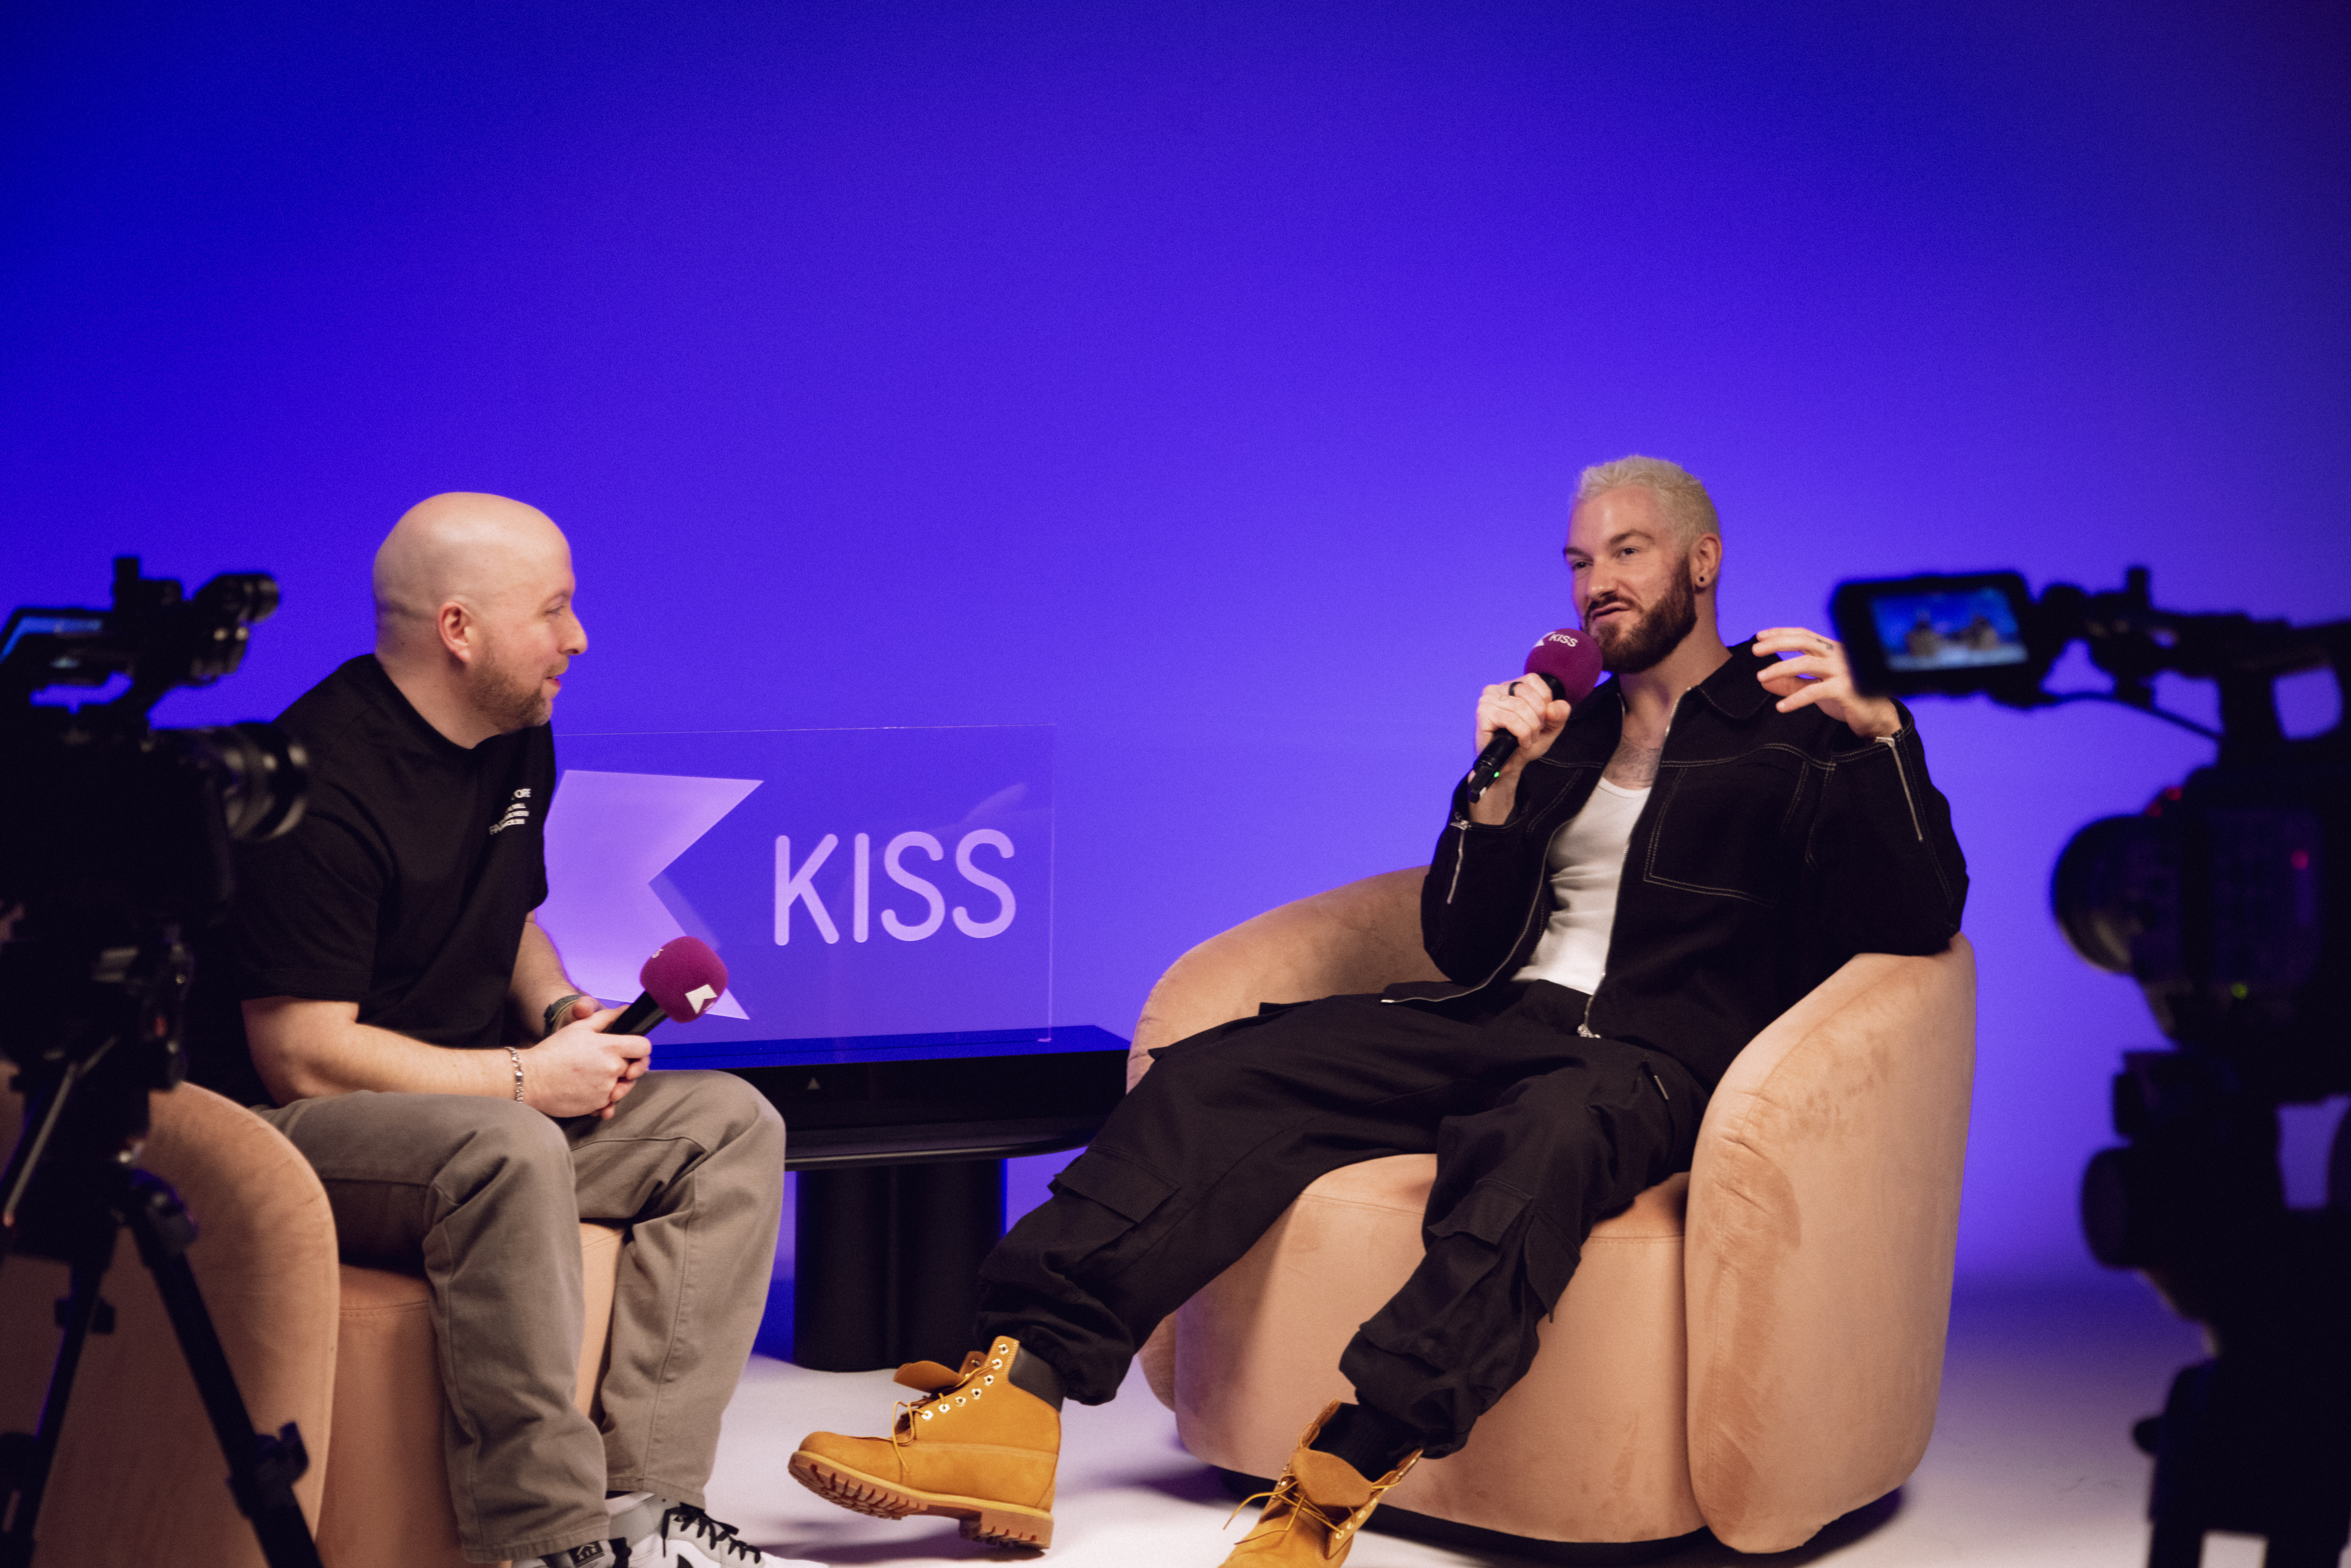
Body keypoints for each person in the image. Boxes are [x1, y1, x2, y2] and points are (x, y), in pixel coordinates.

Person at [787, 456, 1968, 1564]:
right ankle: (1013, 1405)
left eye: (1628, 551)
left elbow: (1915, 916)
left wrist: (1882, 740)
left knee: (1537, 1142)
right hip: (1497, 1017)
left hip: (1650, 1059)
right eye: (1576, 560)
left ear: (1701, 562)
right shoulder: (1568, 729)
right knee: (1216, 1075)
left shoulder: (1800, 719)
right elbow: (1459, 939)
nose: (1596, 583)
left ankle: (1344, 1470)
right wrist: (1494, 781)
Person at [189, 494, 793, 1568]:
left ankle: (649, 1513)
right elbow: (301, 1054)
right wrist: (525, 1080)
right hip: (287, 1131)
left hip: (468, 1107)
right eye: (555, 611)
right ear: (458, 631)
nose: (580, 638)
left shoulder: (517, 734)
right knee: (506, 1145)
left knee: (730, 1125)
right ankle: (544, 1540)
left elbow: (506, 914)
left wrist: (559, 1013)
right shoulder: (315, 787)